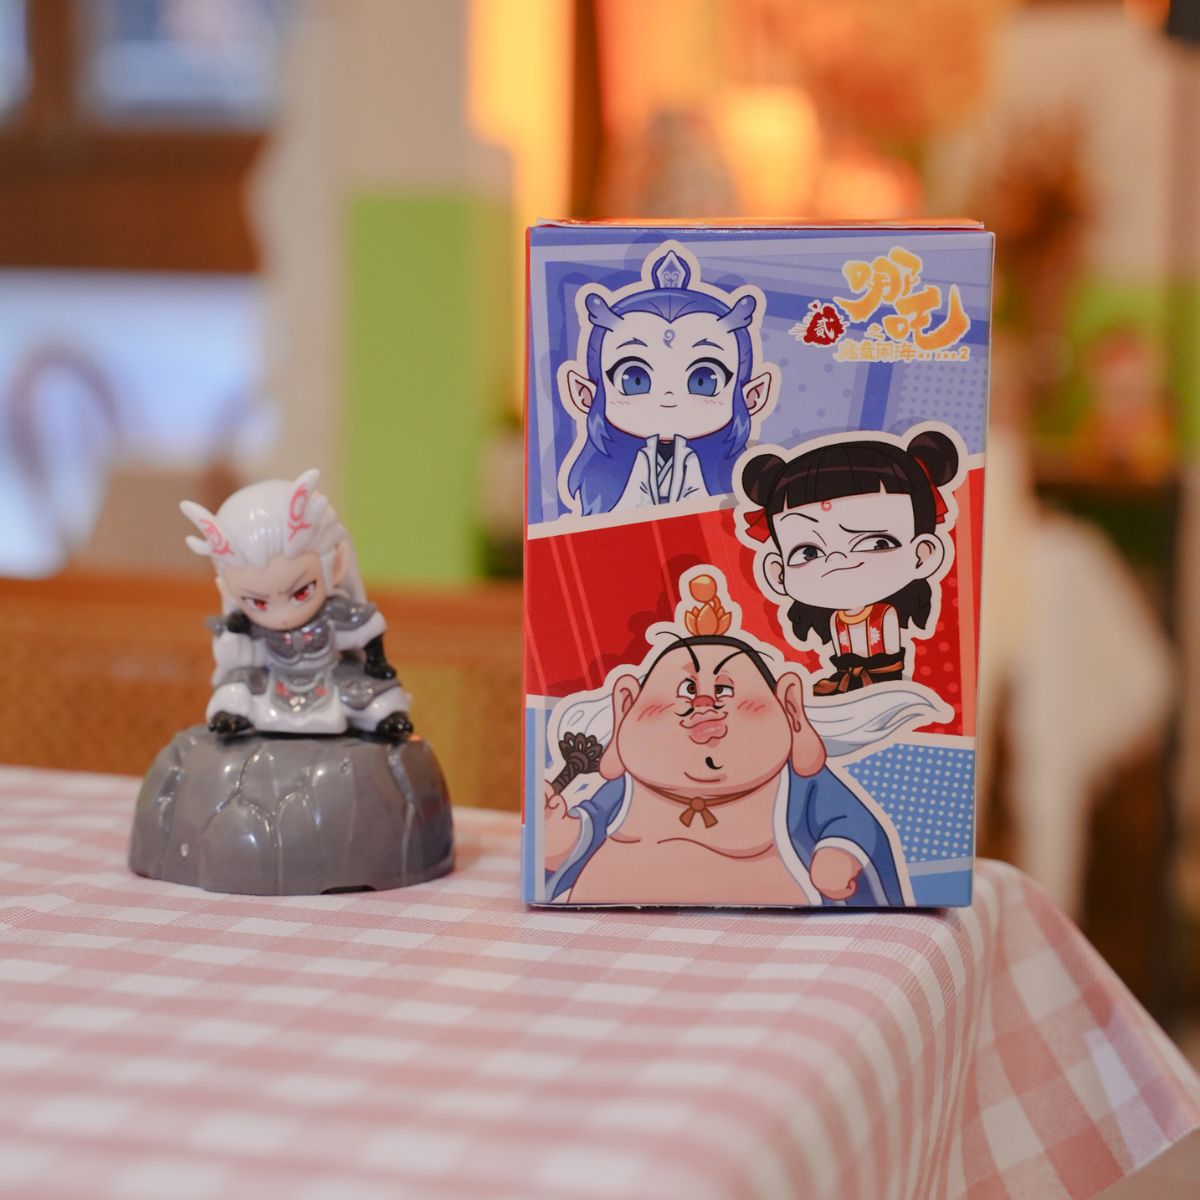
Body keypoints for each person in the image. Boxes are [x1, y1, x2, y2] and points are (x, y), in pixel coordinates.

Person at [542, 575, 913, 907]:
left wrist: (839, 854)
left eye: (725, 689)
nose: (704, 705)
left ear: (790, 708)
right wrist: (559, 837)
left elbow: (850, 822)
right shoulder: (630, 785)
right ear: (626, 707)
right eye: (686, 689)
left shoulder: (797, 787)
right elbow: (589, 830)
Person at [180, 469, 413, 740]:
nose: (282, 616)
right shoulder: (249, 626)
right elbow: (236, 658)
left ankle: (385, 718)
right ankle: (231, 717)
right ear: (229, 591)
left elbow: (368, 628)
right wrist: (234, 631)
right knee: (236, 687)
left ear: (335, 566)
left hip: (329, 675)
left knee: (370, 693)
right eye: (258, 602)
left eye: (301, 593)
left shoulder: (333, 613)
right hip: (273, 680)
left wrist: (375, 661)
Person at [738, 427, 962, 695]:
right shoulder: (836, 620)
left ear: (923, 554)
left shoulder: (885, 615)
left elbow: (890, 655)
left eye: (878, 543)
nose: (837, 561)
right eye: (809, 552)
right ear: (778, 573)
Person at [559, 244, 775, 514]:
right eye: (634, 380)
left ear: (753, 396)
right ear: (584, 394)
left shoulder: (735, 479)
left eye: (704, 381)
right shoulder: (605, 479)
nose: (668, 398)